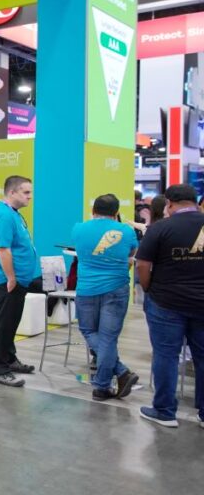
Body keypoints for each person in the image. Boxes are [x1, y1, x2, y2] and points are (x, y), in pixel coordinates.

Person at [135, 183, 204, 428]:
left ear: (170, 204)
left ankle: (164, 411)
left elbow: (142, 265)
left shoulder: (161, 228)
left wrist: (147, 288)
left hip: (166, 302)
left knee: (166, 355)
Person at [71, 194, 140, 402]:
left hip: (87, 289)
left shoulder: (79, 228)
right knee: (108, 337)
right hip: (117, 288)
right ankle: (116, 374)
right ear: (117, 212)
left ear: (93, 211)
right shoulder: (127, 231)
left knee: (88, 330)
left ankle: (105, 384)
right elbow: (132, 253)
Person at [0, 175, 41, 387]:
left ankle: (9, 359)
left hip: (17, 280)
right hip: (6, 280)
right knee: (2, 324)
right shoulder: (4, 216)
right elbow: (3, 249)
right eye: (26, 192)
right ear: (12, 192)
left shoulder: (13, 214)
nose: (30, 197)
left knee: (11, 322)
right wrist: (10, 277)